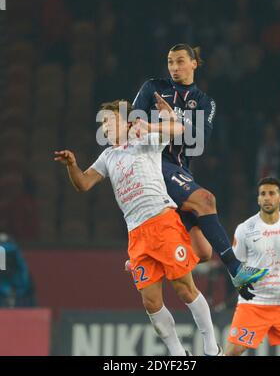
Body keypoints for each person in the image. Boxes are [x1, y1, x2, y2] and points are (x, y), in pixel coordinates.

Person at [54, 99, 222, 356]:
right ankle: (179, 355)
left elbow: (177, 130)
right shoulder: (108, 156)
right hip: (137, 235)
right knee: (151, 302)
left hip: (162, 222)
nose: (104, 127)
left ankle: (212, 347)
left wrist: (159, 123)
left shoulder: (145, 140)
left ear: (126, 122)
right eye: (103, 123)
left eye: (108, 121)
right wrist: (72, 166)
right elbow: (84, 184)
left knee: (183, 288)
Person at [132, 43, 268, 292]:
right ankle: (236, 269)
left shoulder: (204, 102)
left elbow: (198, 140)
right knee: (205, 200)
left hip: (180, 169)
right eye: (171, 61)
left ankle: (145, 260)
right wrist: (170, 126)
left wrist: (171, 121)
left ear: (194, 64)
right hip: (153, 163)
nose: (174, 67)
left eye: (181, 61)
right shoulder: (152, 88)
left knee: (202, 252)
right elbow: (134, 125)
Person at [226, 177, 280, 356]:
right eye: (263, 194)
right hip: (254, 304)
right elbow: (235, 264)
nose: (267, 198)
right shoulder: (245, 229)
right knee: (234, 351)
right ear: (258, 199)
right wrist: (242, 285)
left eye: (272, 193)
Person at [0, 233, 36, 307]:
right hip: (20, 291)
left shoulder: (14, 250)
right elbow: (24, 270)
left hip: (13, 289)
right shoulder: (15, 249)